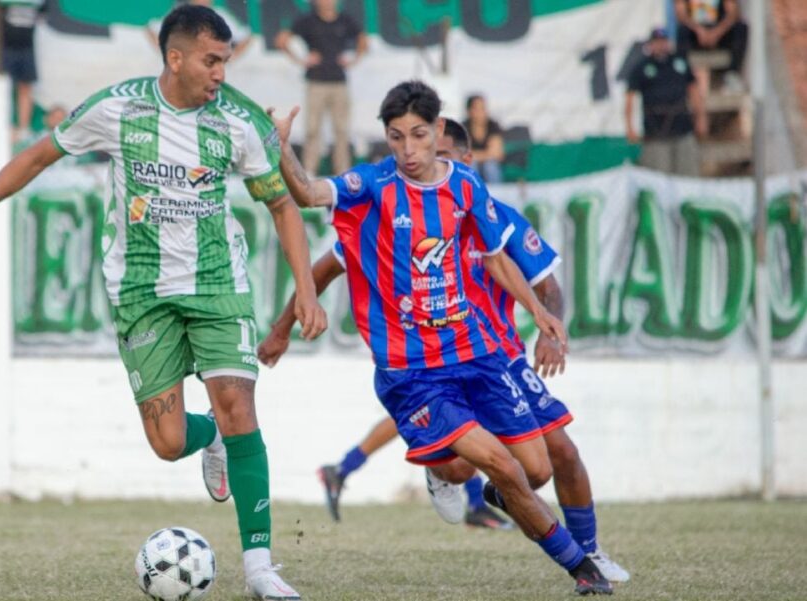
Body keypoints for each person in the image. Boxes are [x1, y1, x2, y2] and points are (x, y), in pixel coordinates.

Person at [0, 7, 326, 600]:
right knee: (167, 442)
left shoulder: (238, 122)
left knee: (238, 403)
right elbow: (39, 156)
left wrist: (307, 288)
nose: (220, 73)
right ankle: (208, 436)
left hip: (217, 283)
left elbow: (282, 206)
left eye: (226, 61)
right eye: (211, 60)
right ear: (176, 57)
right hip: (140, 290)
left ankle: (261, 568)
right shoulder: (118, 109)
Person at [270, 80, 612, 595]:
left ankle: (472, 482)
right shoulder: (374, 188)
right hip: (413, 372)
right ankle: (581, 568)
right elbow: (309, 193)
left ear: (438, 132)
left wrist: (537, 311)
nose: (407, 150)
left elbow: (496, 256)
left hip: (476, 355)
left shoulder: (466, 187)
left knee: (535, 470)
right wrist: (281, 148)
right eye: (395, 137)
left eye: (418, 135)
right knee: (501, 464)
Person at [274, 119, 511, 530]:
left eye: (444, 158)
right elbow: (325, 266)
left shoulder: (477, 210)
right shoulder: (384, 219)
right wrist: (282, 327)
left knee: (499, 442)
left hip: (470, 342)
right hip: (407, 352)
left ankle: (355, 468)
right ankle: (455, 484)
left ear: (465, 162)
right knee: (444, 426)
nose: (432, 166)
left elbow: (517, 269)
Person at [275, 0, 367, 176]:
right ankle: (309, 170)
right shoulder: (308, 20)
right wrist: (301, 60)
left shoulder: (345, 20)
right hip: (316, 81)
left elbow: (363, 40)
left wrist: (354, 60)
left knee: (341, 130)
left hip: (338, 82)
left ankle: (343, 171)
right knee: (312, 129)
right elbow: (281, 40)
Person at [625, 27, 707, 177]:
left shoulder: (679, 62)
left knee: (688, 174)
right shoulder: (642, 67)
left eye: (663, 41)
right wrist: (630, 127)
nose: (661, 45)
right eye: (657, 42)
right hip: (655, 129)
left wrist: (701, 117)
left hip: (682, 125)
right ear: (650, 45)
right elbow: (630, 98)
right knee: (660, 176)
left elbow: (694, 90)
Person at [0, 0, 46, 136]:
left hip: (28, 44)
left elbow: (43, 12)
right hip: (5, 44)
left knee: (25, 85)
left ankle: (23, 127)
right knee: (3, 85)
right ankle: (3, 123)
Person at [674, 0, 748, 93]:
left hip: (720, 34)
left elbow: (733, 14)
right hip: (695, 35)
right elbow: (681, 14)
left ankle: (732, 74)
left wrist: (717, 32)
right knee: (682, 31)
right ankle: (682, 75)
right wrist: (699, 30)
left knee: (741, 28)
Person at [147, 1, 252, 58]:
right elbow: (151, 29)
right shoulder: (178, 14)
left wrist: (230, 59)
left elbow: (246, 37)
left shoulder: (221, 15)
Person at [463, 94, 505, 183]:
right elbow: (463, 155)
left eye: (483, 108)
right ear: (469, 111)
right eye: (477, 108)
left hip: (490, 165)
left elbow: (497, 153)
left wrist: (475, 155)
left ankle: (494, 194)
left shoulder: (493, 125)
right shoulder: (463, 127)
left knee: (490, 165)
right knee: (471, 165)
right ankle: (473, 194)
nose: (482, 112)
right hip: (472, 164)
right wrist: (487, 154)